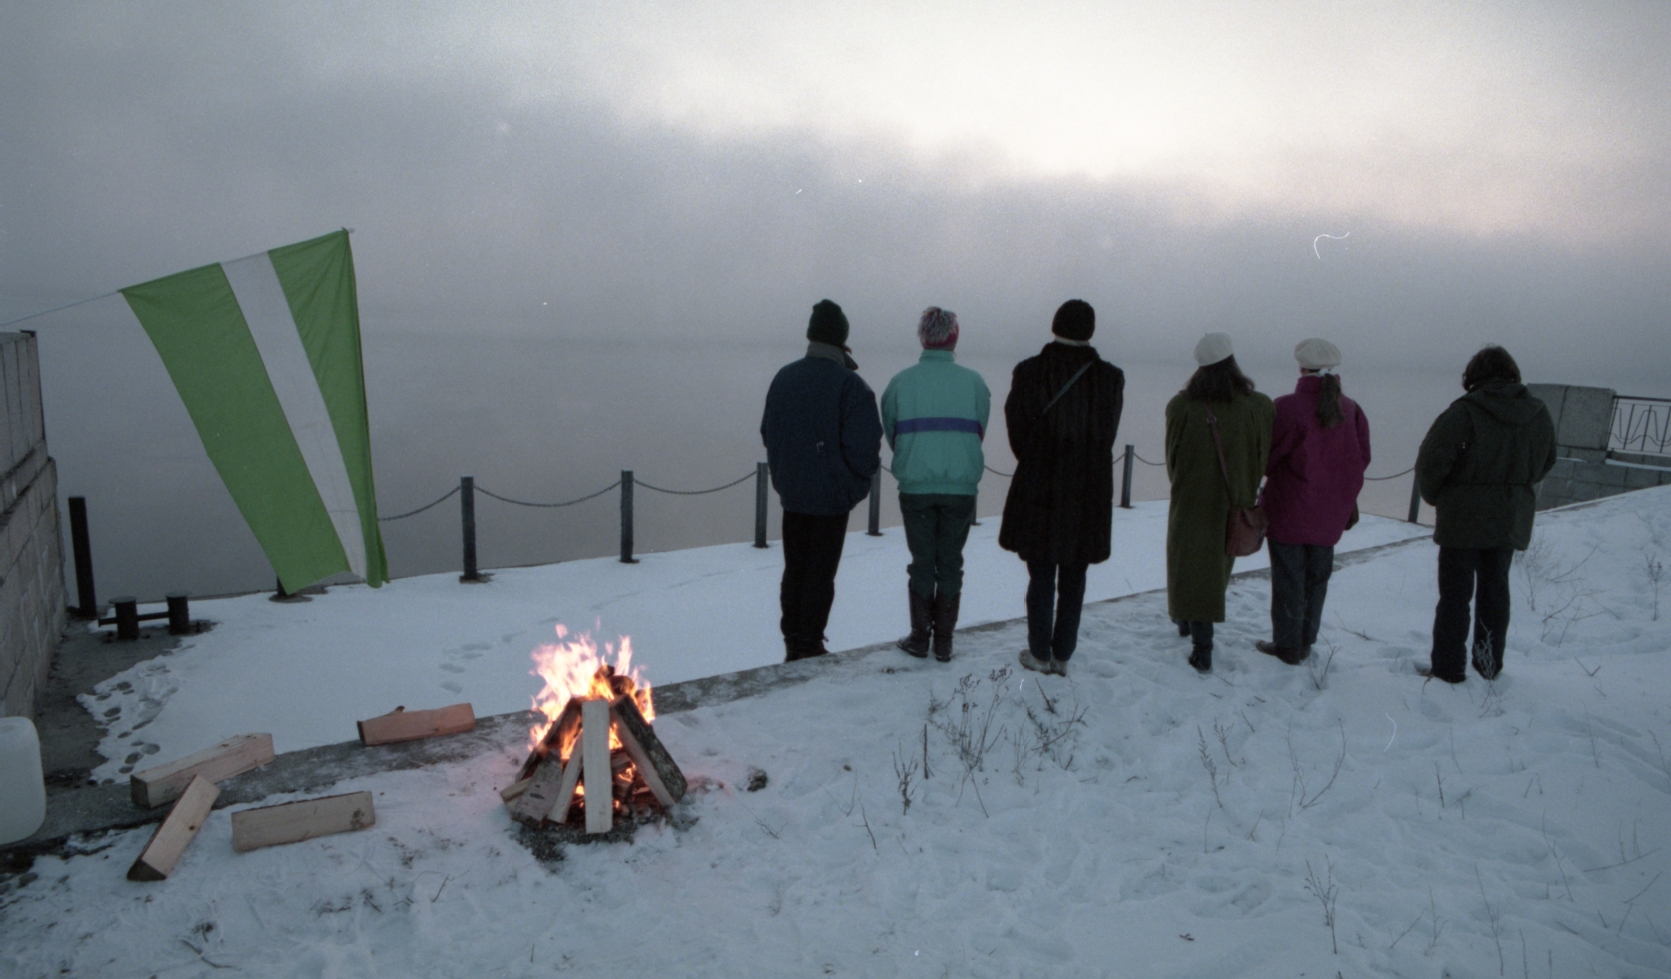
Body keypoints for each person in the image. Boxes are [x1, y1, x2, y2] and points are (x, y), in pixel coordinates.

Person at [1415, 345, 1556, 683]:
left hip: (1462, 519)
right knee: (1496, 592)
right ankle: (1488, 664)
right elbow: (1546, 460)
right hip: (1509, 517)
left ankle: (1448, 668)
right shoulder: (1537, 413)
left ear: (1473, 376)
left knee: (1455, 596)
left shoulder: (1463, 412)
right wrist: (1515, 486)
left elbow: (1432, 463)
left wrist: (1437, 497)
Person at [999, 300, 1124, 676]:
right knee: (1075, 575)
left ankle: (1039, 652)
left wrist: (1038, 458)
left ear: (1055, 325)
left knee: (1040, 573)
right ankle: (1062, 655)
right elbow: (1105, 437)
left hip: (1040, 485)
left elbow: (1017, 431)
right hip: (1087, 491)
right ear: (1090, 331)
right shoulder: (1110, 378)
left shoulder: (1029, 371)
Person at [761, 299, 883, 662]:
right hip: (831, 500)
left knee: (795, 569)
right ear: (841, 337)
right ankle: (810, 643)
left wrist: (786, 476)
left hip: (794, 494)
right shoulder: (851, 385)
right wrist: (850, 487)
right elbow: (865, 449)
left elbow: (769, 432)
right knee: (820, 574)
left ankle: (793, 640)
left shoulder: (784, 378)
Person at [881, 308, 991, 662]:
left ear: (922, 337)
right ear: (954, 337)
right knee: (951, 563)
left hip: (916, 487)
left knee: (922, 562)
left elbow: (891, 430)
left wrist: (917, 455)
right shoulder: (974, 382)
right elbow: (980, 429)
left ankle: (919, 637)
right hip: (960, 488)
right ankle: (944, 641)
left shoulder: (900, 382)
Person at [1254, 338, 1371, 665]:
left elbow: (1267, 458)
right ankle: (1305, 641)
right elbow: (1361, 459)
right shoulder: (1351, 409)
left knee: (1288, 579)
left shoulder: (1287, 407)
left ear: (1301, 367)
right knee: (1317, 580)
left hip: (1288, 510)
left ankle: (1288, 646)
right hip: (1330, 514)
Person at [1165, 333, 1274, 673]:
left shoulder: (1181, 407)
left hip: (1191, 501)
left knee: (1186, 565)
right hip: (1235, 503)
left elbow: (1172, 462)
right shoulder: (1259, 406)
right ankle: (1192, 627)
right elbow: (1263, 456)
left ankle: (1197, 639)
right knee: (1215, 571)